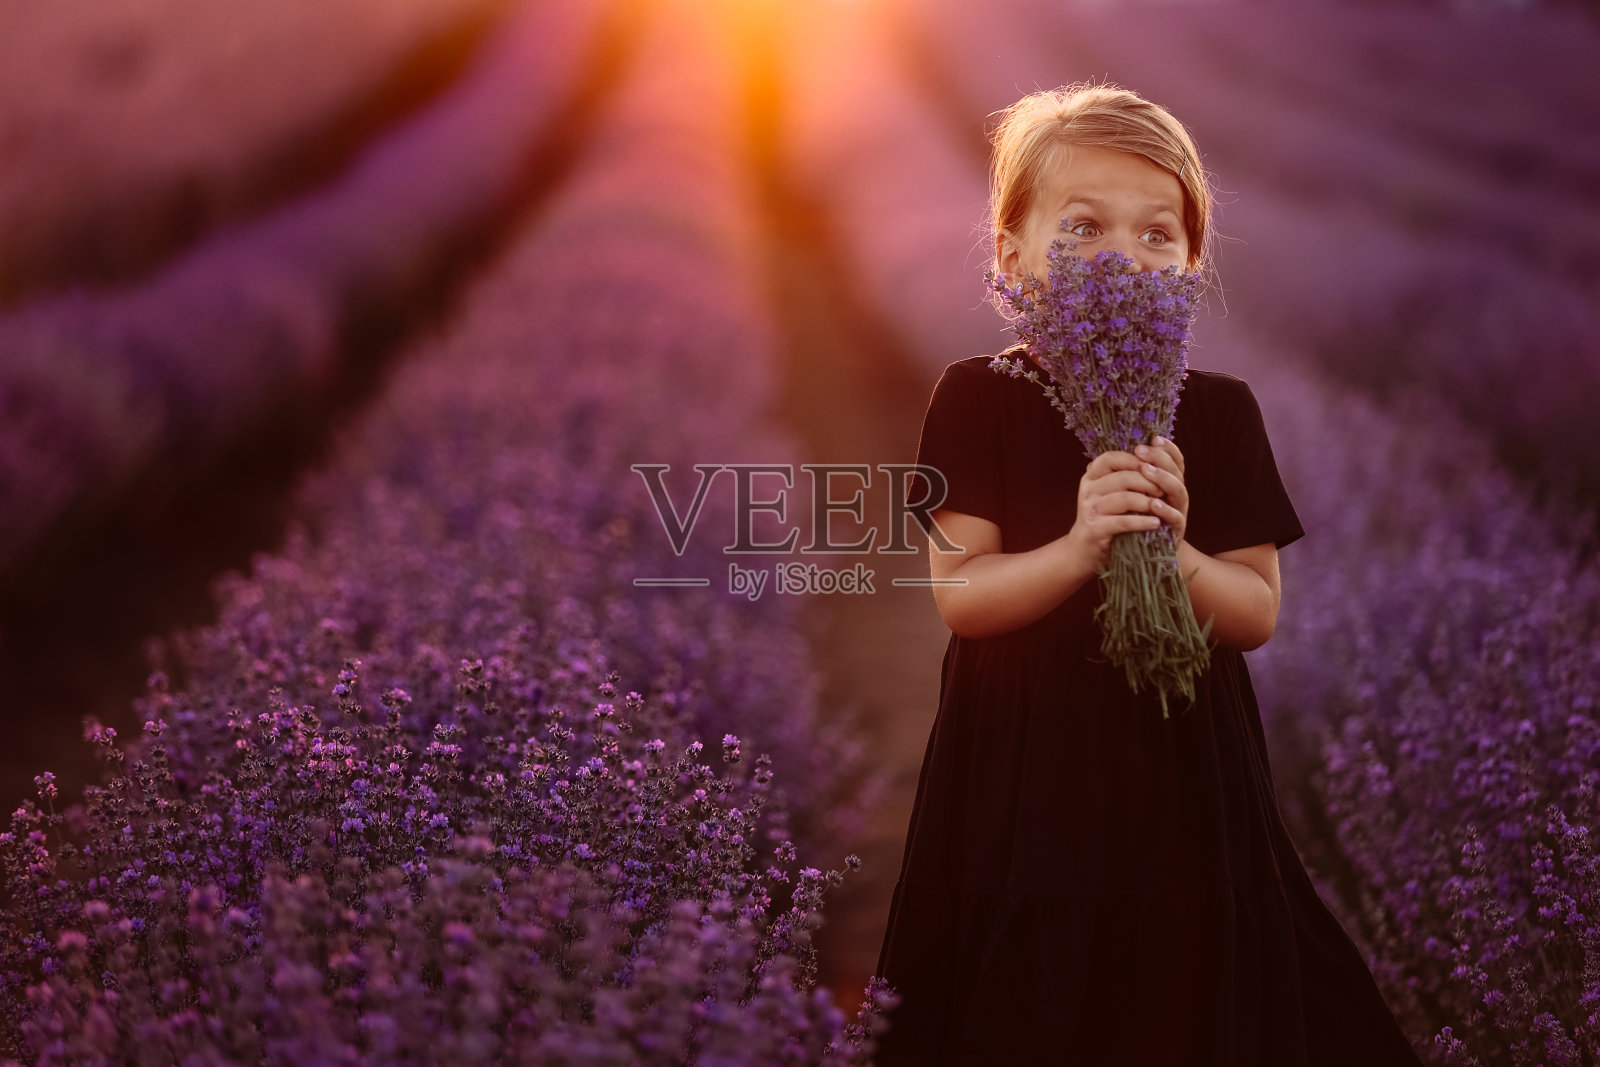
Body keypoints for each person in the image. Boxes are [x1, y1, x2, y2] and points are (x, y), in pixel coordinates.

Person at [872, 83, 1425, 1066]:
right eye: (1082, 228)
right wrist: (1083, 544)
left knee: (1181, 998)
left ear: (1191, 266)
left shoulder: (1218, 412)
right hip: (1027, 782)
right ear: (1011, 254)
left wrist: (1171, 549)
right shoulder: (975, 399)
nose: (1122, 257)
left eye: (1157, 233)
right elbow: (963, 597)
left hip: (1182, 776)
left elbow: (1253, 611)